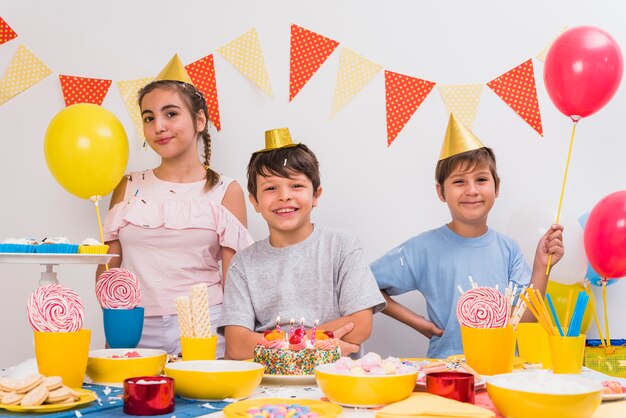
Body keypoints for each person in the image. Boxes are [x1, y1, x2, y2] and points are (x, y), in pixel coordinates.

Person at [370, 113, 564, 359]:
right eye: (459, 181)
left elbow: (524, 321)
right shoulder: (423, 248)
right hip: (446, 373)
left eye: (481, 179)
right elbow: (362, 284)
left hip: (502, 373)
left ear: (497, 186)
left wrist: (540, 267)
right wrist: (418, 322)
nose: (472, 190)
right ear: (441, 191)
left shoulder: (508, 250)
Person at [97, 55, 253, 358]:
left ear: (199, 120)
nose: (159, 126)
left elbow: (236, 280)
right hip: (134, 327)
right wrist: (114, 319)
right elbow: (109, 266)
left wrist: (237, 347)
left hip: (205, 326)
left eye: (171, 114)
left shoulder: (226, 191)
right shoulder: (128, 185)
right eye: (149, 117)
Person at [218, 128, 386, 360]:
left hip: (334, 380)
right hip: (270, 383)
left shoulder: (342, 246)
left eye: (295, 186)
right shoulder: (244, 263)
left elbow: (359, 325)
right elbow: (236, 346)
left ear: (316, 194)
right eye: (270, 188)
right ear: (255, 202)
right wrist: (313, 344)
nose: (284, 196)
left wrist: (273, 344)